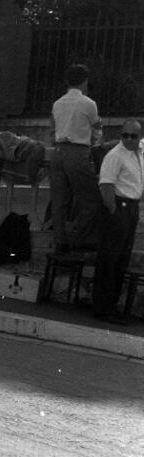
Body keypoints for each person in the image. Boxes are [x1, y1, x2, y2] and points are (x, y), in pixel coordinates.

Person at [92, 119, 143, 324]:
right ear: (120, 135)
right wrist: (114, 213)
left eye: (133, 136)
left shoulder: (139, 152)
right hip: (118, 206)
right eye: (125, 135)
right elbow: (105, 186)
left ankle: (111, 306)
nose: (129, 139)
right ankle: (103, 308)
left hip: (131, 207)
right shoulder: (115, 156)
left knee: (121, 259)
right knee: (110, 260)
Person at [50, 63, 104, 254]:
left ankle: (60, 242)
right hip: (78, 152)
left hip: (57, 153)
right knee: (91, 198)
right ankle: (82, 240)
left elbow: (53, 129)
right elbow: (97, 130)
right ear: (85, 81)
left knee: (59, 201)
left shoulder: (57, 103)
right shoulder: (88, 104)